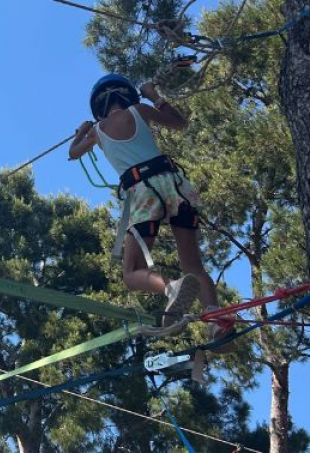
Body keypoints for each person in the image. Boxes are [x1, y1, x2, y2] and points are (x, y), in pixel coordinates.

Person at [68, 74, 231, 343]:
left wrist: (82, 131)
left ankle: (171, 288)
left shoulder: (97, 132)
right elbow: (179, 123)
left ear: (98, 105)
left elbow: (73, 153)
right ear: (128, 95)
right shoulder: (140, 110)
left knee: (132, 272)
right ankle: (215, 320)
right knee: (193, 264)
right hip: (175, 185)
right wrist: (153, 94)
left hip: (142, 191)